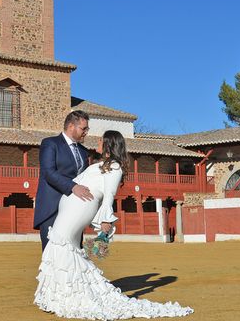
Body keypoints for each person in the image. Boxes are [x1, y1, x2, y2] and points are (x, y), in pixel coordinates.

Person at [34, 130, 193, 319]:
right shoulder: (101, 164)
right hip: (71, 208)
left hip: (80, 209)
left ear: (109, 144)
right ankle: (62, 294)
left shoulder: (115, 167)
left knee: (60, 243)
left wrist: (106, 220)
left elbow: (108, 195)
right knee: (64, 247)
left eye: (101, 140)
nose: (97, 142)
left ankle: (67, 296)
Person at [33, 110, 93, 251]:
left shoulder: (84, 151)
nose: (86, 132)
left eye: (87, 129)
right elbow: (48, 172)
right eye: (83, 129)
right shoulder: (50, 143)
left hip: (73, 210)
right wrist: (73, 187)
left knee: (74, 251)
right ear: (71, 126)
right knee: (52, 254)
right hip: (52, 208)